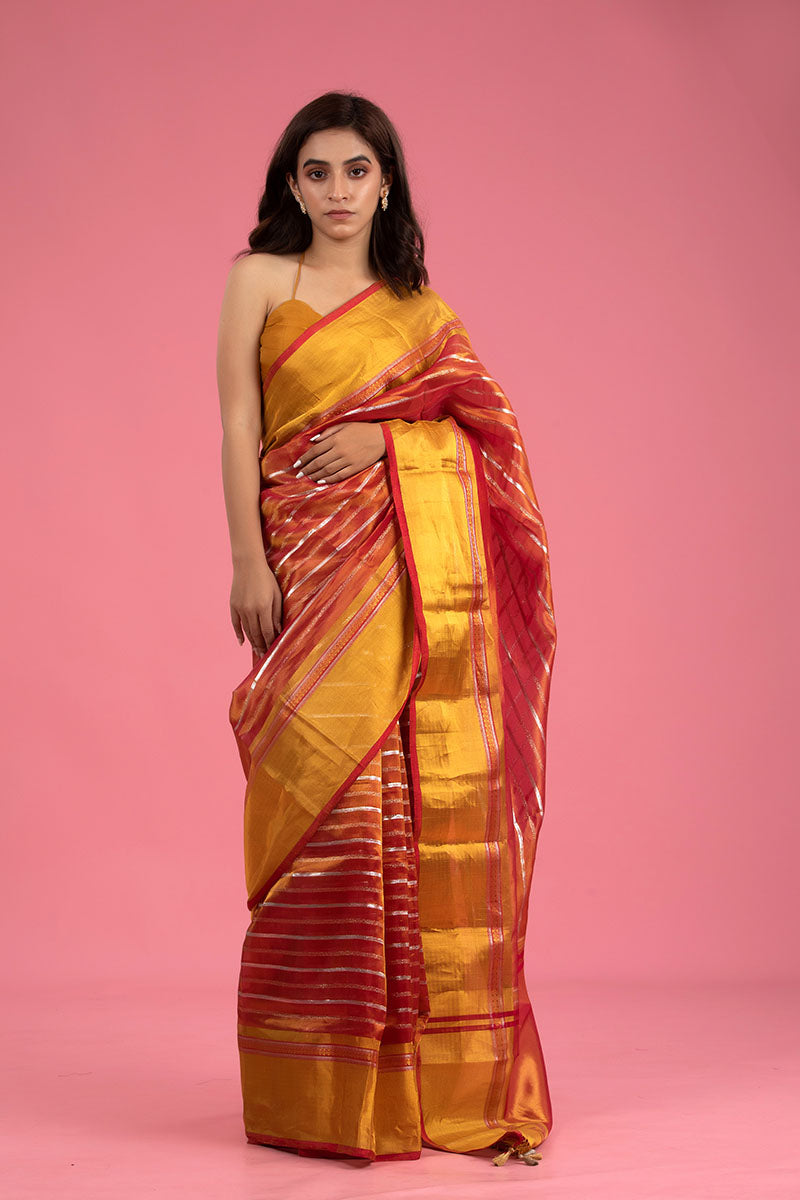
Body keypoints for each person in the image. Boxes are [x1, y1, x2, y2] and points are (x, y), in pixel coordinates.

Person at [216, 91, 557, 1167]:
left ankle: (416, 1090)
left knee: (393, 806)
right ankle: (317, 1093)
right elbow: (235, 418)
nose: (333, 193)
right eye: (313, 172)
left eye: (354, 172)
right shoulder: (257, 280)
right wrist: (244, 559)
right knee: (313, 808)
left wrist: (390, 442)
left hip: (396, 583)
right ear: (289, 183)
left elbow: (484, 436)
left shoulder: (418, 310)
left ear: (386, 182)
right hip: (305, 567)